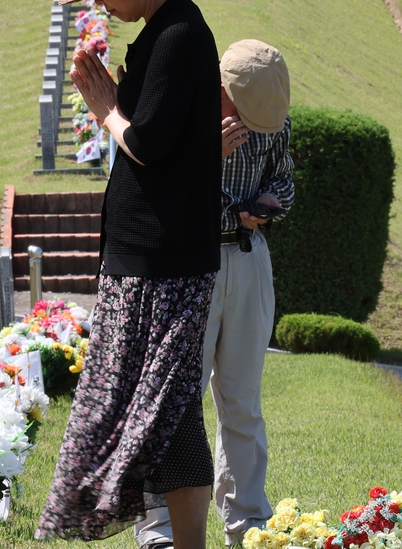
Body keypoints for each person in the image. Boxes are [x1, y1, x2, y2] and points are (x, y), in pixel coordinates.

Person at [34, 0, 222, 549]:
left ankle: (180, 537)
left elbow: (146, 141)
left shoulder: (179, 35)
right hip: (147, 256)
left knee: (161, 409)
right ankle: (174, 535)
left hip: (163, 261)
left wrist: (106, 109)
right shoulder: (165, 31)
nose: (101, 6)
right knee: (165, 411)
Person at [134, 40, 294, 549]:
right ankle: (158, 526)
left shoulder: (274, 116)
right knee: (176, 404)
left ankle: (248, 523)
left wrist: (269, 202)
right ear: (222, 88)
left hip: (248, 261)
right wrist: (204, 153)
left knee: (243, 402)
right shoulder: (181, 113)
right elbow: (146, 187)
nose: (252, 122)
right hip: (189, 263)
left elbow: (285, 180)